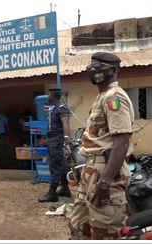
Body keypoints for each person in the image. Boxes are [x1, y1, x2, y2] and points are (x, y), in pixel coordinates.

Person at [68, 52, 134, 240]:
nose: (93, 71)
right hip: (91, 169)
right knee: (80, 227)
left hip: (106, 171)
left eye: (98, 67)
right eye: (91, 67)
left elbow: (122, 142)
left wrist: (105, 182)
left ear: (113, 70)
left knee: (106, 232)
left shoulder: (114, 97)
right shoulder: (102, 96)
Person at [38, 87, 73, 203]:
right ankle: (65, 188)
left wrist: (66, 138)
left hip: (57, 141)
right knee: (61, 164)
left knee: (55, 165)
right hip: (52, 140)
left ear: (52, 95)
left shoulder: (61, 107)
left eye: (48, 94)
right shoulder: (55, 107)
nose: (47, 96)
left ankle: (52, 192)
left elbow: (65, 122)